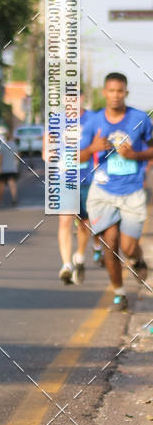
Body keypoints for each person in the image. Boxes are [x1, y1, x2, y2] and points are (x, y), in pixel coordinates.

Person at [80, 72, 152, 311]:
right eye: (111, 91)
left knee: (129, 247)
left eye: (119, 91)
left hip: (132, 191)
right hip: (103, 191)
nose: (115, 95)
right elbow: (76, 157)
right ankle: (119, 293)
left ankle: (137, 257)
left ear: (126, 93)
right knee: (110, 243)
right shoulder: (94, 122)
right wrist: (92, 147)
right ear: (104, 93)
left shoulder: (140, 118)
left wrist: (135, 155)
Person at [57, 95, 95, 285]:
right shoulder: (57, 119)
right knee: (65, 221)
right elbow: (48, 146)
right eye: (68, 97)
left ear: (82, 97)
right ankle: (66, 265)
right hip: (65, 178)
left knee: (84, 223)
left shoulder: (93, 119)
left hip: (87, 178)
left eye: (76, 96)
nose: (72, 101)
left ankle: (79, 256)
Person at [0, 130, 19, 205]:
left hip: (4, 168)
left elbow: (0, 157)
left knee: (1, 184)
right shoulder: (14, 145)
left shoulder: (2, 146)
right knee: (12, 184)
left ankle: (0, 200)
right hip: (12, 168)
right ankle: (14, 198)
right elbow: (17, 156)